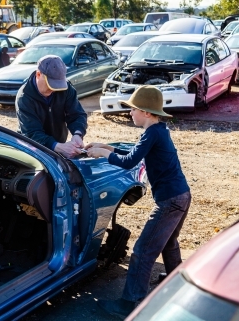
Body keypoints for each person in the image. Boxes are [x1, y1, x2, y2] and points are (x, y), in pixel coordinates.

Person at [85, 85, 191, 319]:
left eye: (133, 109)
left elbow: (129, 162)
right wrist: (105, 146)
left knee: (142, 251)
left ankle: (130, 303)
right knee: (169, 242)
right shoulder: (158, 130)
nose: (130, 113)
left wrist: (103, 154)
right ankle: (176, 282)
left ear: (146, 112)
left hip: (170, 201)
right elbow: (134, 152)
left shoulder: (152, 133)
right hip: (182, 195)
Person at [16, 55, 87, 158]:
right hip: (33, 148)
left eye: (57, 85)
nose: (54, 89)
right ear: (38, 74)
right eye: (50, 85)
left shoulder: (66, 89)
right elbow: (32, 132)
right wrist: (58, 147)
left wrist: (77, 134)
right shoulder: (24, 97)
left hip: (58, 143)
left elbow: (77, 114)